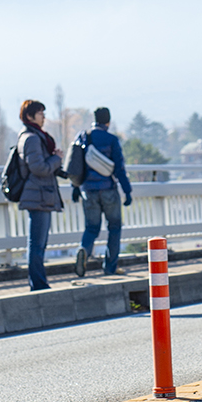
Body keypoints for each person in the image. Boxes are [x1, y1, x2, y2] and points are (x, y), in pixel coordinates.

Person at [73, 107, 132, 277]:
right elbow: (119, 168)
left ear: (95, 119)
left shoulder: (84, 136)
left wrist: (75, 187)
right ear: (108, 121)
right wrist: (127, 191)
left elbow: (76, 165)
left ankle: (83, 250)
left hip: (88, 191)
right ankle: (110, 267)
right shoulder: (111, 139)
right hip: (108, 189)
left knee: (91, 228)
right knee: (114, 227)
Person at [17, 100, 63, 291]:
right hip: (39, 195)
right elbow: (38, 167)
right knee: (37, 244)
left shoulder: (30, 136)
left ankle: (38, 283)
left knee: (38, 243)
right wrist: (57, 159)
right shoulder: (33, 138)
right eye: (40, 113)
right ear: (30, 116)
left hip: (39, 194)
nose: (44, 116)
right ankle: (38, 284)